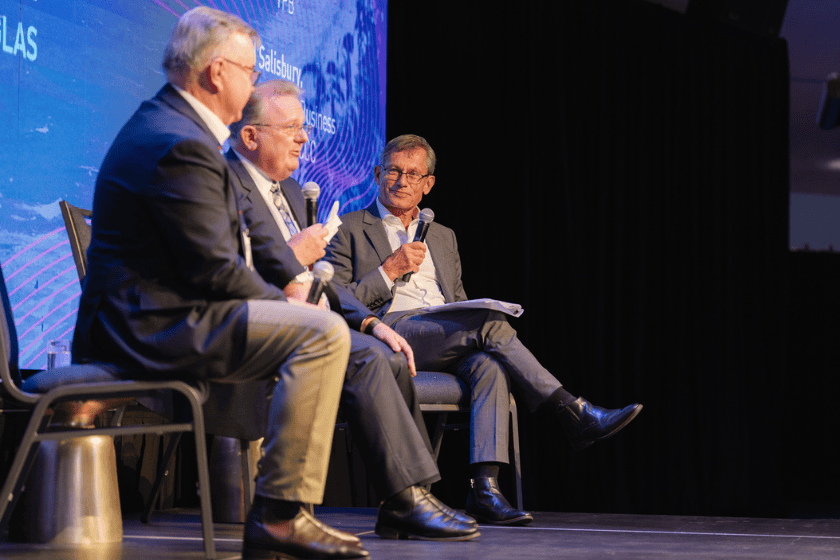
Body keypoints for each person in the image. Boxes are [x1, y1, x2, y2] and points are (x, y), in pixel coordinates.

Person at [72, 8, 366, 559]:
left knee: (313, 325)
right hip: (151, 327)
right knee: (321, 335)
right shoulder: (177, 141)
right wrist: (288, 303)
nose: (254, 81)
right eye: (251, 72)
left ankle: (280, 511)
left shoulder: (180, 128)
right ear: (215, 74)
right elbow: (215, 271)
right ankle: (280, 515)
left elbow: (250, 227)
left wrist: (291, 279)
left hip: (160, 314)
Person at [325, 134, 643, 526]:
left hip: (439, 334)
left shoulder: (443, 236)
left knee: (489, 364)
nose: (401, 181)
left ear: (428, 184)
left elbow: (456, 299)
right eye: (393, 170)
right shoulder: (349, 226)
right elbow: (339, 299)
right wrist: (389, 270)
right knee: (491, 325)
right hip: (390, 333)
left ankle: (484, 490)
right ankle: (571, 410)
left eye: (413, 174)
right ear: (377, 174)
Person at [225, 79, 479, 541]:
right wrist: (297, 260)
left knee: (388, 352)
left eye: (305, 128)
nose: (305, 138)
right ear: (250, 136)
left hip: (301, 319)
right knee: (368, 357)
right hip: (255, 327)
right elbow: (245, 271)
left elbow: (315, 278)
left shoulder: (288, 189)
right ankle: (403, 498)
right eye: (293, 128)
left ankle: (409, 497)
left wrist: (368, 322)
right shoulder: (229, 184)